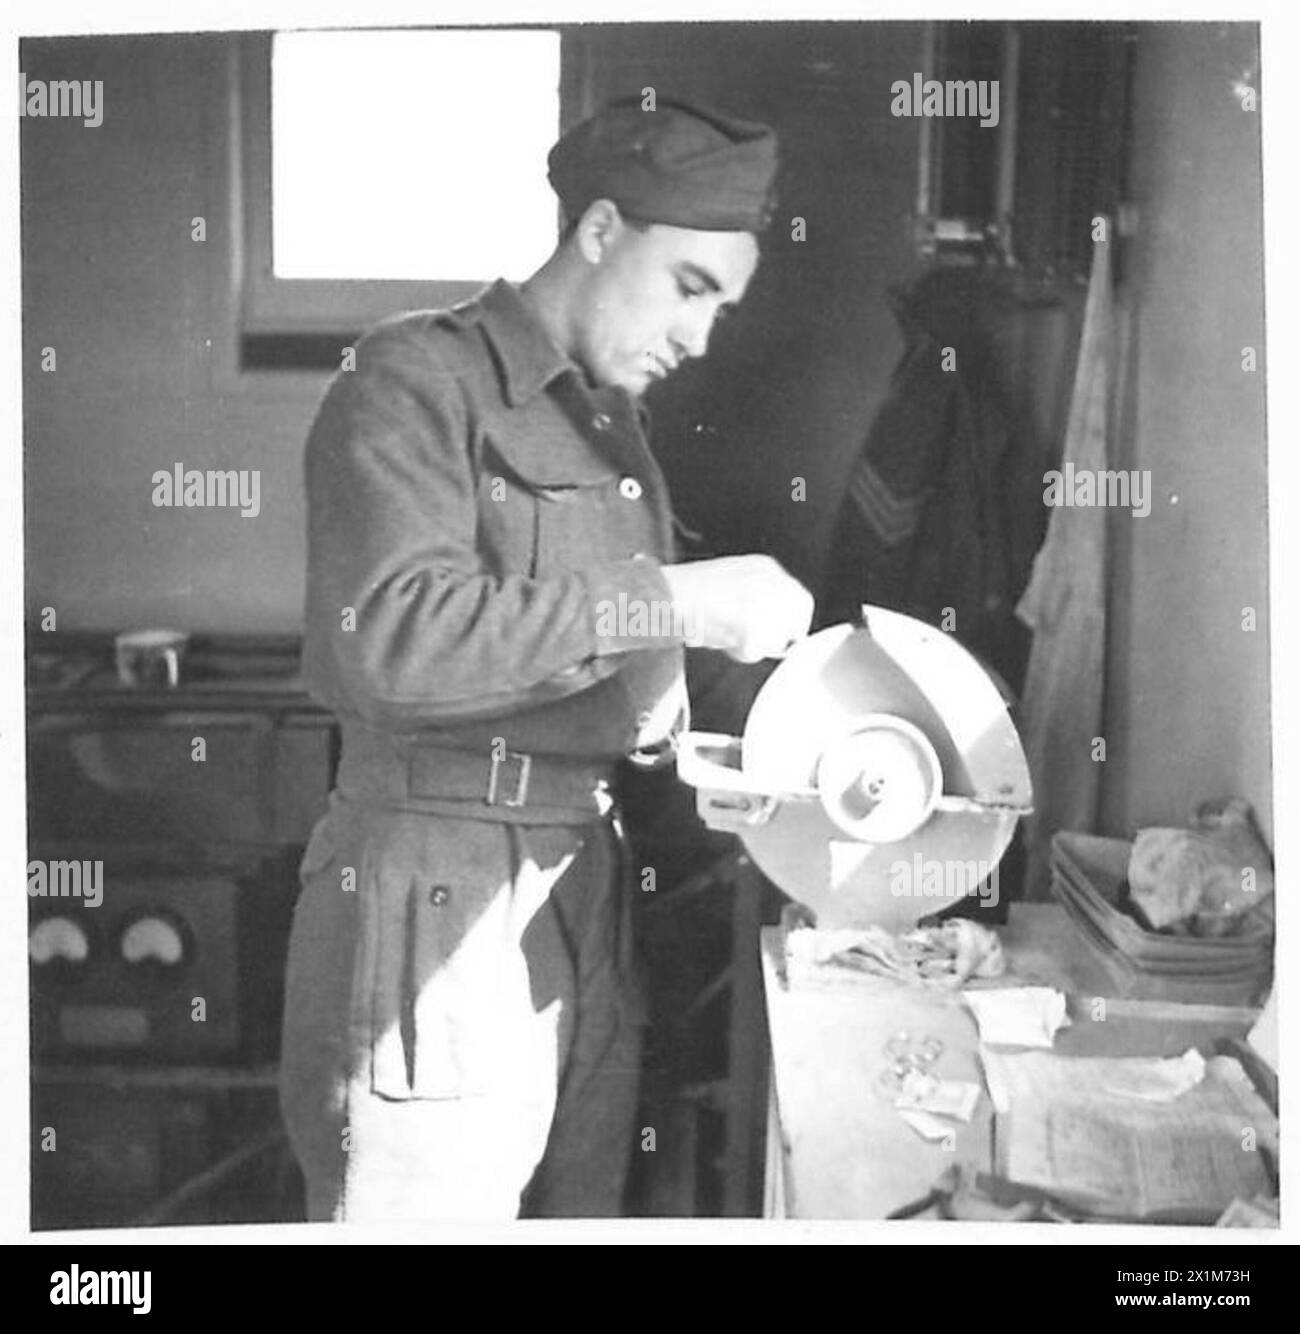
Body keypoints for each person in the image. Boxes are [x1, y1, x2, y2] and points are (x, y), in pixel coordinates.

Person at [279, 94, 813, 1221]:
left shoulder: (608, 424)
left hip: (583, 883)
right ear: (602, 229)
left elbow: (611, 658)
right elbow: (392, 640)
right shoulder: (414, 381)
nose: (701, 336)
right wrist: (677, 596)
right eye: (690, 286)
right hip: (433, 883)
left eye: (724, 304)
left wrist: (819, 717)